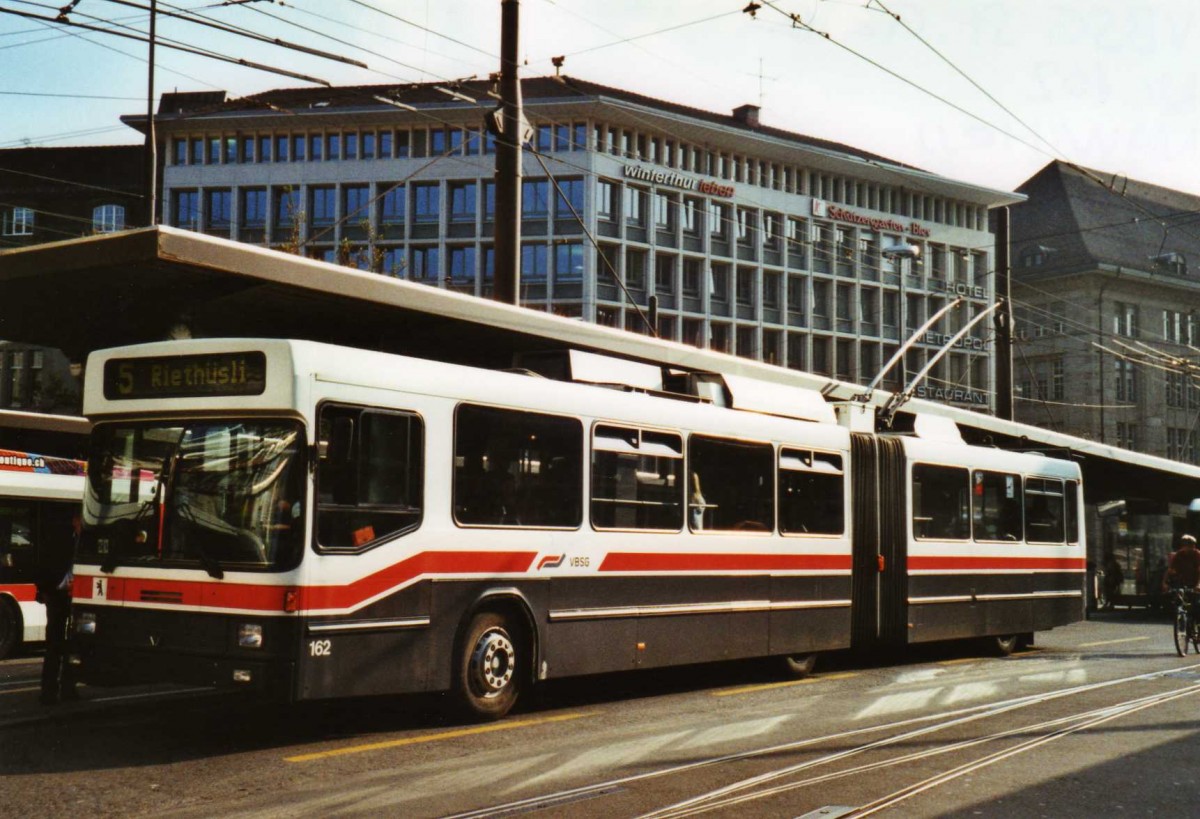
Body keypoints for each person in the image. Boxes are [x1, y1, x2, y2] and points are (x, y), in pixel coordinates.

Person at [37, 512, 79, 705]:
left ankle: (68, 688)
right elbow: (44, 564)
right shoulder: (60, 539)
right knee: (54, 643)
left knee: (73, 643)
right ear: (74, 521)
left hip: (77, 598)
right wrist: (45, 591)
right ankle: (48, 690)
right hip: (57, 594)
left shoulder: (88, 542)